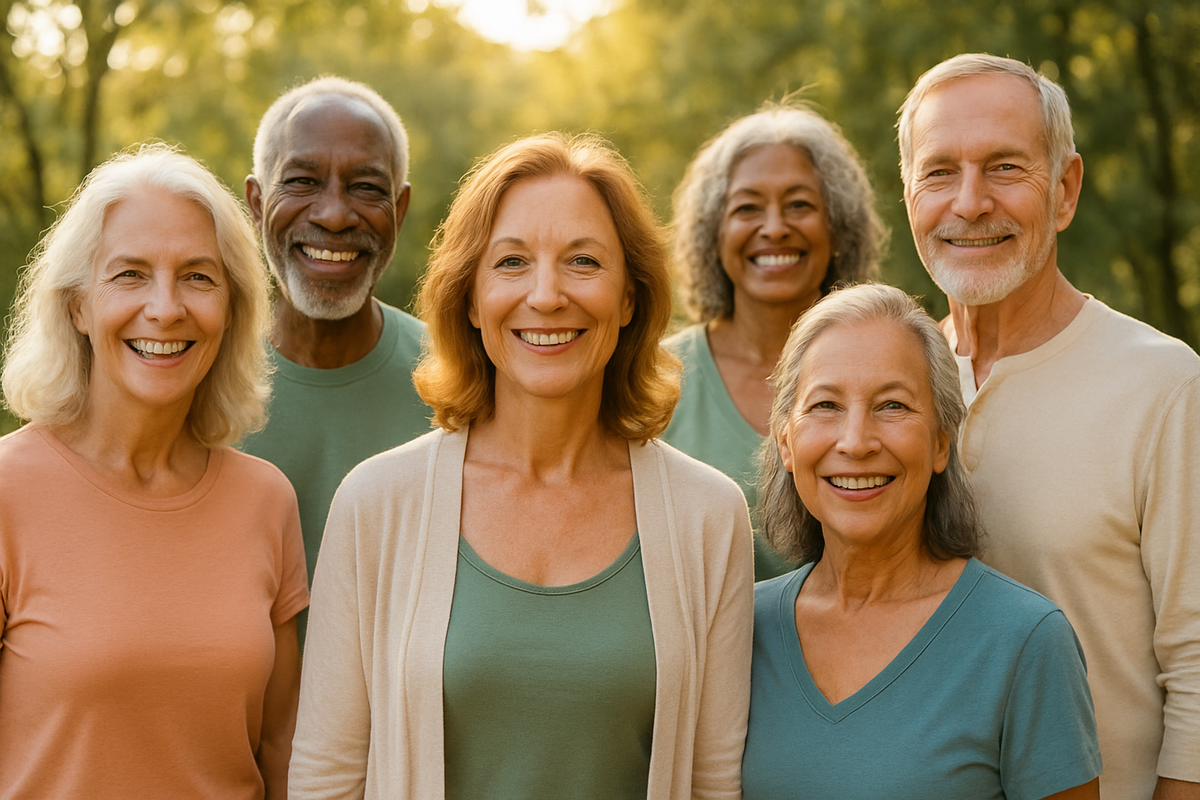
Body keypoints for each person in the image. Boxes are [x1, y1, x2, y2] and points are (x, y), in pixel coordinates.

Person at [289, 133, 754, 799]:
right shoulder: (375, 504)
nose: (546, 295)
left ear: (629, 298)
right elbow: (326, 780)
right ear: (470, 300)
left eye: (584, 262)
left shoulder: (709, 515)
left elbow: (713, 784)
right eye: (511, 262)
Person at [897, 53, 1200, 799]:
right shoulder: (894, 388)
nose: (970, 203)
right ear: (908, 194)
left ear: (1064, 189)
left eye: (1004, 168)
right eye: (940, 172)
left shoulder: (1164, 386)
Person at [0, 145, 307, 798]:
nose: (166, 308)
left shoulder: (266, 501)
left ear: (232, 309)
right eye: (130, 275)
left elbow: (284, 750)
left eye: (197, 277)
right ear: (78, 306)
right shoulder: (7, 492)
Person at [742, 283, 1101, 799]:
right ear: (786, 443)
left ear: (940, 443)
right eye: (825, 405)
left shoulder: (1025, 642)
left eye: (892, 405)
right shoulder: (740, 630)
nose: (856, 442)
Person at [240, 76, 429, 640]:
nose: (334, 215)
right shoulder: (192, 378)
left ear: (399, 208)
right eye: (302, 181)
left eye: (366, 187)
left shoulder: (463, 380)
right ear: (257, 202)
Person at [663, 104, 885, 580]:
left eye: (799, 204)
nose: (775, 227)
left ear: (838, 224)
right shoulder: (654, 379)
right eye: (747, 208)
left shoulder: (894, 363)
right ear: (713, 232)